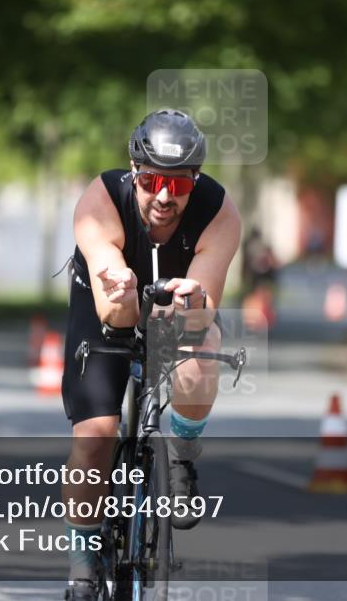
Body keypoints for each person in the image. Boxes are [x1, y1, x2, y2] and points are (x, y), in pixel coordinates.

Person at [61, 109, 241, 600]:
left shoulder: (219, 212)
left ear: (195, 182)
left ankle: (181, 455)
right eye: (154, 181)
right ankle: (82, 559)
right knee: (96, 436)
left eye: (179, 185)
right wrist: (120, 288)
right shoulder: (100, 200)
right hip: (108, 309)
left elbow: (207, 298)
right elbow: (113, 312)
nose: (164, 196)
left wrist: (193, 303)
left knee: (201, 343)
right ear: (135, 173)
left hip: (178, 307)